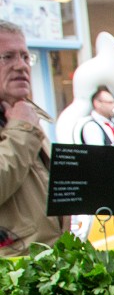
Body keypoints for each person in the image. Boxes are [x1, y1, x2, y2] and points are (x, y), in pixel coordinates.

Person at [0, 21, 66, 255]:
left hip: (47, 263)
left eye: (26, 57)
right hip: (12, 274)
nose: (21, 66)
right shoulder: (24, 122)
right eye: (8, 57)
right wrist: (22, 129)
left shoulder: (25, 114)